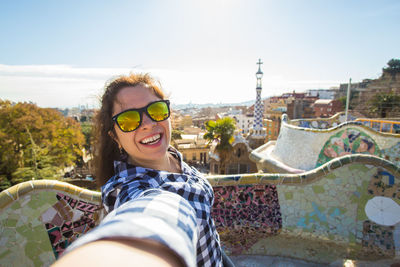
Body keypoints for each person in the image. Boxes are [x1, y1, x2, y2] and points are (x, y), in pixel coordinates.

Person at [53, 73, 229, 267]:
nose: (148, 124)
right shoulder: (130, 188)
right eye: (128, 120)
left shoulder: (172, 155)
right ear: (115, 137)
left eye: (156, 110)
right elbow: (152, 212)